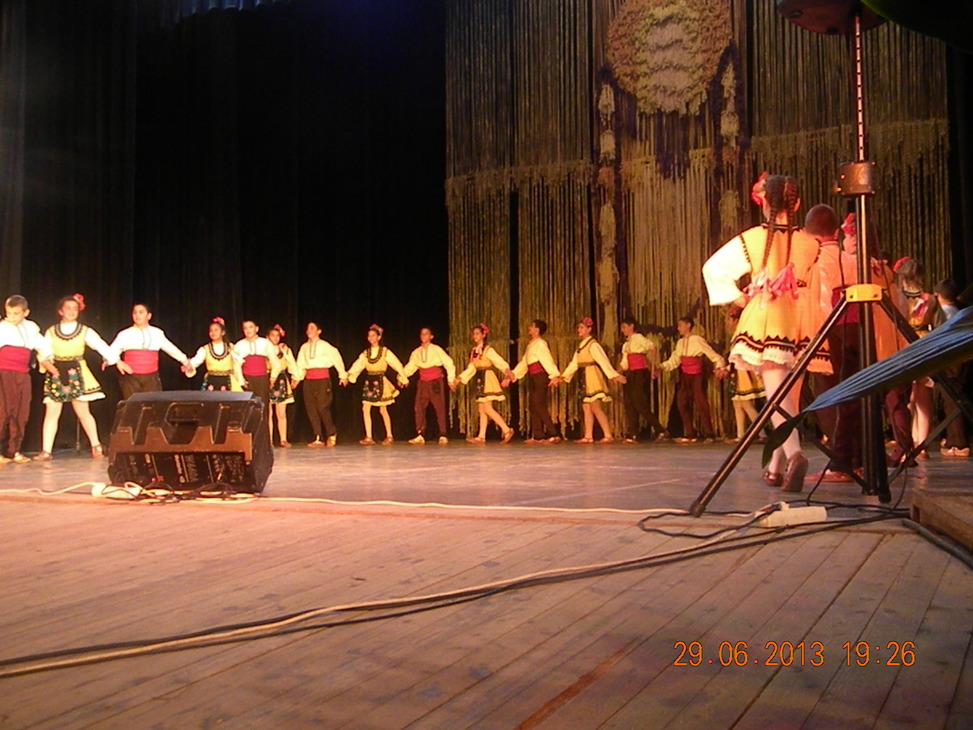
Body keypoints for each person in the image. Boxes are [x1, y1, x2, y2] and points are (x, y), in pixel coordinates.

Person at [703, 173, 831, 492]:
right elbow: (820, 290)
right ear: (797, 205)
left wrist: (740, 299)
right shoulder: (811, 244)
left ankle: (795, 454)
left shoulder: (752, 239)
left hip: (769, 317)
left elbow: (713, 269)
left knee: (777, 397)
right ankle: (775, 467)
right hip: (802, 321)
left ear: (763, 203)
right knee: (790, 398)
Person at [36, 294, 122, 461]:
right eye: (68, 308)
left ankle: (96, 445)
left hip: (77, 371)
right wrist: (48, 365)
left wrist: (115, 360)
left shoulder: (84, 331)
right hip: (56, 371)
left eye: (75, 308)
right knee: (52, 412)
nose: (71, 311)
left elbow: (100, 345)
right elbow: (43, 350)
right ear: (60, 311)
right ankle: (46, 450)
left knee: (83, 412)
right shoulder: (51, 331)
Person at [0, 295, 56, 464]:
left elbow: (43, 345)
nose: (12, 317)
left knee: (21, 412)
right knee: (4, 410)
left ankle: (14, 450)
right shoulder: (2, 328)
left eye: (16, 313)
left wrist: (48, 358)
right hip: (4, 372)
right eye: (9, 313)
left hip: (22, 373)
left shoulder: (31, 328)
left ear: (26, 312)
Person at [655, 318, 726, 444]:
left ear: (688, 325)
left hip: (697, 375)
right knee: (681, 402)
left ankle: (710, 434)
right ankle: (690, 433)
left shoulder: (697, 340)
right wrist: (662, 367)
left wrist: (720, 366)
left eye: (681, 325)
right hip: (685, 375)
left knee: (700, 403)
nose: (678, 328)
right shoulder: (680, 342)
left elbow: (713, 355)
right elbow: (675, 360)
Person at [555, 317, 626, 444]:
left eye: (582, 327)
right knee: (586, 407)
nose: (579, 330)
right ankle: (588, 436)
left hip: (592, 376)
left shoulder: (593, 345)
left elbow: (603, 361)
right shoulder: (581, 346)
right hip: (584, 377)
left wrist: (613, 375)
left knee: (595, 407)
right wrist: (563, 377)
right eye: (578, 327)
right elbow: (574, 363)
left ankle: (608, 434)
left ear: (589, 329)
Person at [894, 257, 938, 459]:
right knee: (923, 397)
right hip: (924, 343)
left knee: (907, 398)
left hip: (905, 342)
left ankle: (908, 443)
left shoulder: (898, 297)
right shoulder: (930, 299)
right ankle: (923, 444)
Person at [110, 303, 192, 398]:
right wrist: (117, 361)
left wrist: (185, 361)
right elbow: (109, 352)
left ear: (149, 316)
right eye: (135, 312)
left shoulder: (157, 333)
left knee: (152, 404)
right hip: (131, 377)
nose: (137, 315)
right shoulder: (125, 334)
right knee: (132, 404)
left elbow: (171, 349)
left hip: (151, 377)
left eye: (141, 312)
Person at [346, 324, 407, 445]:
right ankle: (369, 437)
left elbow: (396, 364)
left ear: (379, 337)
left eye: (373, 335)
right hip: (370, 382)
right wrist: (349, 375)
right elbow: (358, 365)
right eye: (369, 335)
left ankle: (389, 435)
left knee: (383, 409)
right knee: (365, 408)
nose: (371, 337)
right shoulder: (366, 353)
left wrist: (403, 377)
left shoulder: (385, 352)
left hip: (380, 380)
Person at [454, 323, 515, 444]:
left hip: (488, 378)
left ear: (483, 335)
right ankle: (481, 436)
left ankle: (507, 429)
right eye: (474, 334)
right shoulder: (474, 351)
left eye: (477, 333)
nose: (475, 336)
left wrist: (507, 370)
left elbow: (498, 361)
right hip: (480, 378)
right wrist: (459, 378)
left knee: (487, 407)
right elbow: (472, 368)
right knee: (482, 409)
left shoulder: (488, 349)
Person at [291, 322, 346, 448]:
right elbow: (300, 364)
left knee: (322, 407)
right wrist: (297, 379)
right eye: (307, 328)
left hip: (322, 379)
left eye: (312, 328)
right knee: (311, 409)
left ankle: (331, 432)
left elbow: (336, 358)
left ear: (319, 331)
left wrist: (342, 375)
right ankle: (318, 436)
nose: (309, 330)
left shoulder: (325, 345)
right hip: (309, 380)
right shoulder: (304, 347)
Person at [399, 327, 456, 445]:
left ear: (431, 336)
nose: (424, 336)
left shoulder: (436, 349)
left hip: (435, 381)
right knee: (419, 408)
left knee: (439, 408)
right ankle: (420, 434)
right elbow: (411, 366)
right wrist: (402, 378)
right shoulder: (416, 352)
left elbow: (449, 363)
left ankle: (443, 434)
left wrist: (451, 380)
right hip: (423, 382)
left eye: (426, 334)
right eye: (422, 334)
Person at [508, 319, 561, 444]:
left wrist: (554, 375)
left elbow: (547, 360)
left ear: (537, 329)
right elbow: (524, 363)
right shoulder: (531, 344)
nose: (529, 328)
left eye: (532, 326)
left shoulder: (541, 344)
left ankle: (554, 434)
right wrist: (513, 374)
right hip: (533, 376)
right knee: (533, 405)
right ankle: (538, 435)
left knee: (539, 404)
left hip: (540, 376)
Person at [934, 278, 969, 457]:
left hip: (950, 363)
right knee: (954, 399)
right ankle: (954, 439)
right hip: (960, 362)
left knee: (952, 401)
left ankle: (958, 443)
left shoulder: (945, 315)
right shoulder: (959, 312)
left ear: (938, 295)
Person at [617, 316, 666, 443]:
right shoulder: (626, 344)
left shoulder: (638, 337)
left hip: (639, 373)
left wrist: (653, 368)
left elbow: (652, 347)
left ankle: (660, 429)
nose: (622, 330)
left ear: (632, 326)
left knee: (639, 403)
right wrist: (616, 373)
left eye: (624, 327)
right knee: (629, 403)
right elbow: (624, 363)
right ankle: (633, 434)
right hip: (630, 373)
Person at [187, 317, 244, 392]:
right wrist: (188, 366)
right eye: (211, 331)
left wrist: (241, 381)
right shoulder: (205, 349)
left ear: (223, 332)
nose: (213, 333)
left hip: (228, 380)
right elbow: (196, 361)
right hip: (211, 382)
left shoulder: (230, 347)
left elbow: (236, 365)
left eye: (216, 330)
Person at [233, 320, 280, 407]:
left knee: (263, 405)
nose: (248, 330)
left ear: (257, 329)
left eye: (251, 327)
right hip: (247, 378)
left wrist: (272, 378)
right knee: (248, 406)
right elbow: (236, 365)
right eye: (245, 328)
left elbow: (275, 362)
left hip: (262, 378)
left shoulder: (265, 343)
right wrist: (241, 381)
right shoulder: (239, 345)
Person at [267, 324, 298, 448]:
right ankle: (268, 440)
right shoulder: (264, 349)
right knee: (268, 413)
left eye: (277, 336)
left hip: (281, 380)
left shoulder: (284, 349)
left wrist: (295, 377)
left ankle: (283, 439)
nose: (275, 338)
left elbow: (291, 362)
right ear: (267, 337)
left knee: (281, 413)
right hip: (267, 379)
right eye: (272, 335)